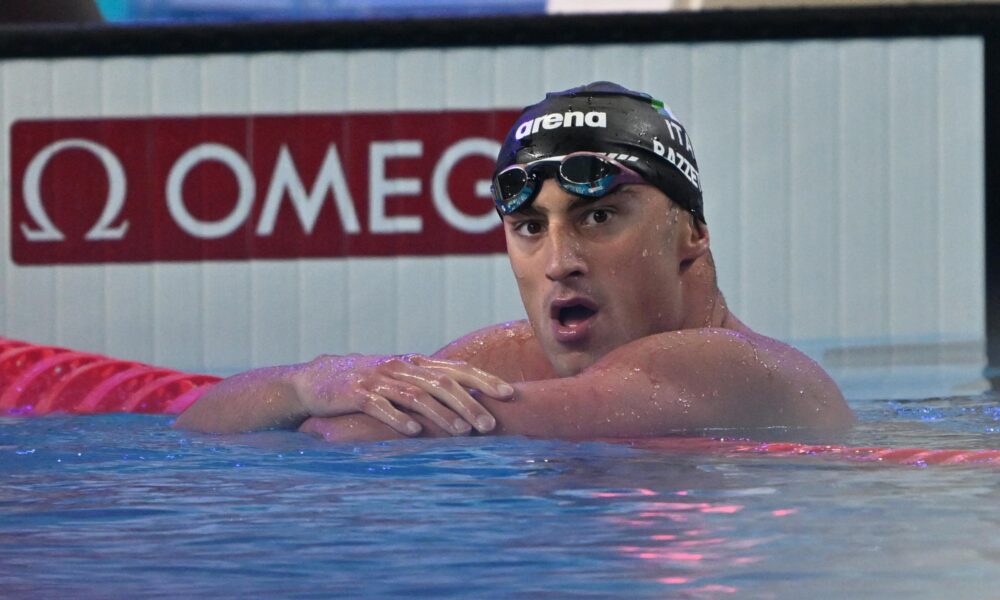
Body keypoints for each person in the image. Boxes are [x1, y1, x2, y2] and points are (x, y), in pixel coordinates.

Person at [174, 81, 854, 441]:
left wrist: (327, 408)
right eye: (530, 227)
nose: (560, 262)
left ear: (693, 233)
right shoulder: (506, 358)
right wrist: (309, 381)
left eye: (598, 217)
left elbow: (352, 438)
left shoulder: (734, 367)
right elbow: (196, 428)